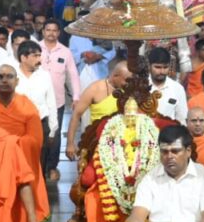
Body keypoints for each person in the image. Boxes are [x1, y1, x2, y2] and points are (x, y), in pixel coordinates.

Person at [0, 64, 50, 222]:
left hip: (22, 161)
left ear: (17, 81)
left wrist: (10, 144)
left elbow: (35, 140)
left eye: (9, 77)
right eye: (0, 77)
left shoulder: (27, 106)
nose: (5, 80)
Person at [39, 19, 80, 182]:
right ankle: (39, 168)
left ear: (59, 33)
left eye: (54, 30)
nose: (51, 33)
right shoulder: (36, 48)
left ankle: (51, 167)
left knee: (54, 136)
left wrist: (76, 96)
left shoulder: (65, 52)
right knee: (39, 136)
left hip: (57, 102)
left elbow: (73, 75)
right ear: (43, 31)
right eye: (47, 30)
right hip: (38, 102)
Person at [65, 59, 131, 157]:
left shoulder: (129, 91)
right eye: (126, 80)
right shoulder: (95, 88)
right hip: (97, 141)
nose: (128, 84)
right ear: (115, 76)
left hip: (122, 143)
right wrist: (70, 144)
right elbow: (76, 115)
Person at [15, 39, 59, 154]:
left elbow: (51, 103)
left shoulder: (44, 75)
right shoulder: (12, 75)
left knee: (39, 163)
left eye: (40, 55)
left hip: (40, 125)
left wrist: (52, 130)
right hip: (17, 126)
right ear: (23, 58)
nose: (39, 59)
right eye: (35, 56)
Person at [148, 46, 188, 124]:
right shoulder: (141, 85)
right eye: (157, 67)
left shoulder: (177, 89)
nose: (162, 71)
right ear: (149, 66)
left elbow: (182, 119)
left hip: (168, 133)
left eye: (165, 67)